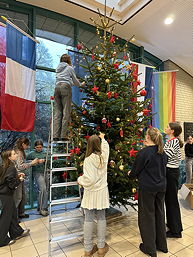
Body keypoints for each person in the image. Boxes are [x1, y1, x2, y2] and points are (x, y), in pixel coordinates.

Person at [129, 127, 168, 257]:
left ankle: (149, 248)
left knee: (147, 217)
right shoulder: (163, 153)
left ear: (148, 137)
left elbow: (135, 171)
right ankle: (162, 245)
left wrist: (130, 174)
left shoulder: (144, 153)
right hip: (161, 187)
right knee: (160, 214)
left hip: (148, 188)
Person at [78, 132, 110, 257]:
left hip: (91, 193)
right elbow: (106, 148)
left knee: (89, 219)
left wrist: (80, 180)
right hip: (102, 192)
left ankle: (88, 250)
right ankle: (101, 248)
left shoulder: (88, 159)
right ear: (98, 145)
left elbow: (89, 179)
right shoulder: (104, 156)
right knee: (101, 218)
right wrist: (103, 138)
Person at [0, 149, 30, 247]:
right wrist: (19, 180)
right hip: (6, 194)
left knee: (13, 213)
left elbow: (6, 179)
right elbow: (11, 184)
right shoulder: (11, 167)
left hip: (4, 194)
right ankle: (2, 240)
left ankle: (16, 232)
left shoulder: (4, 166)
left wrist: (16, 176)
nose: (16, 155)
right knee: (6, 217)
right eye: (14, 154)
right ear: (9, 157)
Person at [53, 54, 84, 141]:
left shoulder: (58, 69)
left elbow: (65, 80)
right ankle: (63, 136)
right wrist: (81, 84)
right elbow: (75, 81)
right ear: (68, 60)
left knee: (57, 112)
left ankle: (55, 135)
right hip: (66, 88)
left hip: (57, 88)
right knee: (66, 112)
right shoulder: (69, 68)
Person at [164, 122, 183, 238]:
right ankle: (172, 224)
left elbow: (165, 157)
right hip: (169, 172)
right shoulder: (170, 141)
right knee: (169, 201)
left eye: (167, 127)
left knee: (172, 201)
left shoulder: (174, 142)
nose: (165, 128)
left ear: (172, 131)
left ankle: (176, 231)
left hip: (171, 173)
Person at [14, 137, 39, 219]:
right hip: (17, 176)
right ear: (23, 144)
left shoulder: (20, 151)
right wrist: (31, 163)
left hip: (20, 176)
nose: (28, 147)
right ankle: (13, 218)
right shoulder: (19, 153)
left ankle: (21, 213)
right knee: (18, 197)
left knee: (22, 196)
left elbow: (22, 163)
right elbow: (20, 167)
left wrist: (31, 163)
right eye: (27, 145)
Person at [26, 140, 48, 216]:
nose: (39, 149)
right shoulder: (31, 154)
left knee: (46, 190)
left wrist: (45, 160)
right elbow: (26, 161)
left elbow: (50, 161)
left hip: (45, 172)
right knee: (43, 189)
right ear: (34, 147)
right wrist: (36, 161)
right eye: (37, 147)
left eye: (40, 147)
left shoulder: (45, 153)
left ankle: (40, 207)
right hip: (37, 173)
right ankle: (43, 209)